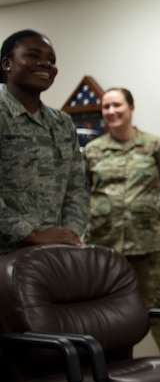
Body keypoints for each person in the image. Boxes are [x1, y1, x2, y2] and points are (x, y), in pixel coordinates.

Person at [84, 87, 160, 355]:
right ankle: (109, 369)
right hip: (106, 246)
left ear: (131, 108)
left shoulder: (154, 145)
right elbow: (83, 193)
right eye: (106, 107)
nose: (112, 111)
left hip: (150, 244)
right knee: (106, 312)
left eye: (117, 105)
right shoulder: (92, 151)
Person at [0, 29, 89, 257]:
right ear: (7, 64)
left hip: (53, 254)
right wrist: (30, 235)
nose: (45, 64)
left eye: (51, 60)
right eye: (33, 55)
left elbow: (77, 187)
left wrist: (68, 234)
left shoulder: (62, 123)